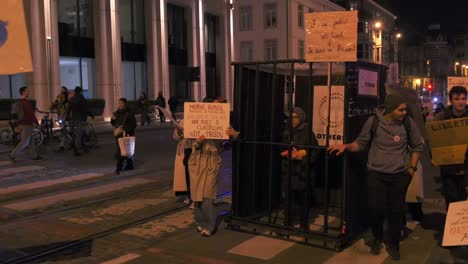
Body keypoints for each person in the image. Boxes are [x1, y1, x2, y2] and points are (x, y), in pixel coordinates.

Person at [328, 94, 424, 260]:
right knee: (375, 208)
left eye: (405, 109)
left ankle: (393, 244)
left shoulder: (408, 123)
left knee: (396, 211)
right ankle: (377, 237)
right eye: (400, 109)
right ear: (389, 108)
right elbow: (361, 142)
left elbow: (417, 146)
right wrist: (346, 146)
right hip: (376, 174)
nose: (404, 112)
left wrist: (411, 169)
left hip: (400, 175)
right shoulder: (374, 122)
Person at [189, 97, 239, 237]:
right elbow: (185, 139)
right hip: (196, 163)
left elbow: (235, 136)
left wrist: (233, 134)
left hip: (212, 162)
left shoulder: (222, 123)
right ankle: (199, 222)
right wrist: (197, 142)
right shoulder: (198, 120)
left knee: (208, 196)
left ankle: (209, 225)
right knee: (196, 196)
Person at [280, 107, 320, 228]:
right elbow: (282, 148)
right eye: (291, 117)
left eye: (295, 117)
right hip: (289, 170)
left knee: (303, 197)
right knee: (288, 197)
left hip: (302, 171)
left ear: (301, 118)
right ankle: (287, 222)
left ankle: (303, 224)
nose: (292, 120)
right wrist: (287, 154)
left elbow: (314, 151)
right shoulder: (287, 131)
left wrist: (302, 156)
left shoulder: (307, 132)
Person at [433, 86, 467, 209]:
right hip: (449, 165)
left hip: (466, 164)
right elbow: (434, 140)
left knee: (464, 198)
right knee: (452, 198)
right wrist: (435, 157)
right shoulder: (441, 117)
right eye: (457, 99)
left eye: (463, 99)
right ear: (451, 100)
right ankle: (453, 226)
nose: (461, 102)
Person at [9, 87, 42, 162]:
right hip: (26, 124)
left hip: (20, 123)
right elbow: (30, 114)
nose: (29, 92)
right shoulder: (26, 103)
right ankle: (13, 154)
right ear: (23, 92)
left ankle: (34, 155)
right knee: (25, 141)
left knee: (31, 140)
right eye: (27, 91)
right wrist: (36, 123)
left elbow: (13, 115)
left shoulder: (17, 102)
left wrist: (15, 124)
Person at [111, 98, 137, 175]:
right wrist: (112, 119)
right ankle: (130, 165)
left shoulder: (129, 113)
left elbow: (134, 125)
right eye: (119, 103)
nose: (120, 105)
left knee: (121, 151)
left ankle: (119, 167)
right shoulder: (116, 113)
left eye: (121, 103)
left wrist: (125, 129)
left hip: (127, 134)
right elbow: (113, 123)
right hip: (119, 135)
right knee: (125, 150)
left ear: (125, 104)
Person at [172, 119, 194, 208]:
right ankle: (190, 196)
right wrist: (179, 131)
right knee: (187, 177)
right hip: (184, 151)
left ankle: (195, 198)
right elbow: (175, 137)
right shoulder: (184, 121)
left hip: (195, 151)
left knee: (194, 177)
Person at [66, 86, 93, 156]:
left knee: (75, 134)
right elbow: (86, 109)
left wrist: (67, 117)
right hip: (81, 118)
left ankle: (77, 146)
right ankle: (77, 149)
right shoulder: (82, 99)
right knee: (79, 134)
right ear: (80, 92)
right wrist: (91, 115)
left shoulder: (71, 99)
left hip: (73, 118)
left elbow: (68, 109)